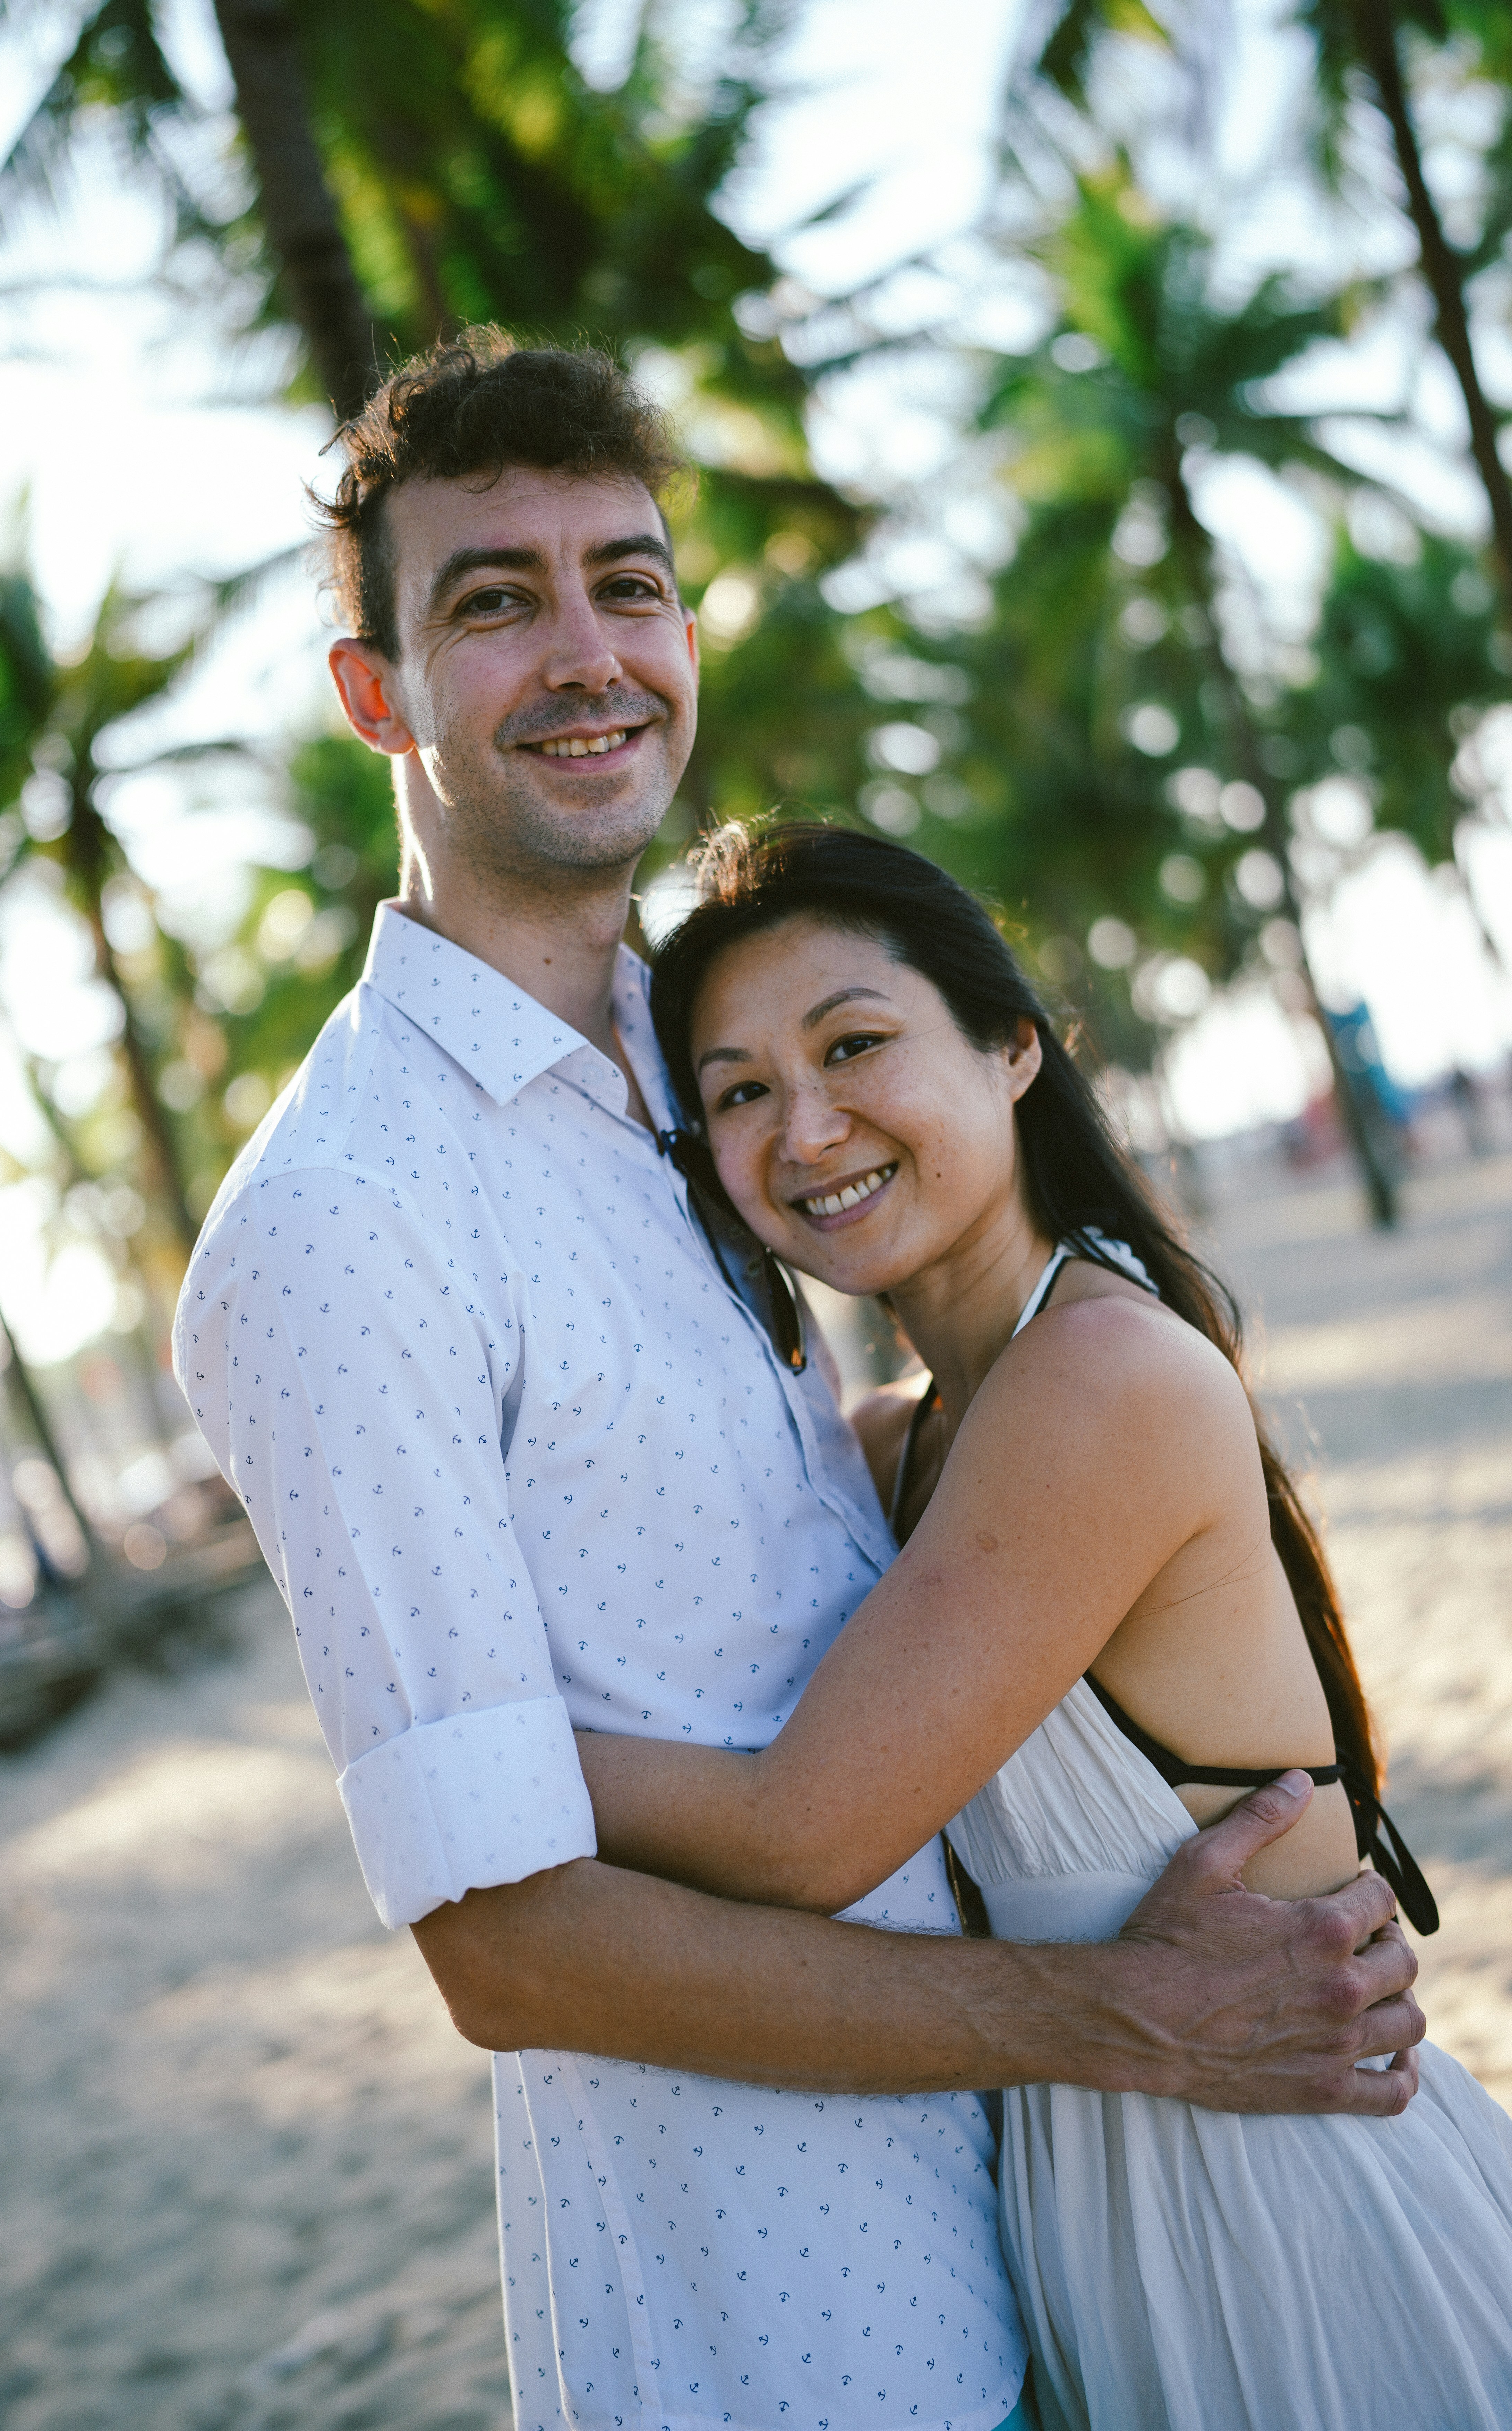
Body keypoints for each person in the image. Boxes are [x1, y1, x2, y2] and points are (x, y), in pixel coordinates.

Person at [175, 330, 1424, 2431]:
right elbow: (510, 1952)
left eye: (631, 582)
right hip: (785, 2318)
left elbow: (765, 1537)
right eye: (497, 600)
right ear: (377, 694)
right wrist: (1125, 2019)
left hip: (1053, 2228)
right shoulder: (342, 1219)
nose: (589, 651)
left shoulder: (709, 1082)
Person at [572, 820, 1512, 2431]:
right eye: (736, 1092)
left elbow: (796, 1832)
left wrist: (455, 1763)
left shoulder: (1102, 1377)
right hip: (1099, 2193)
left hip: (1280, 2208)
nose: (807, 1128)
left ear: (1012, 1048)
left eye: (854, 1044)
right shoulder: (898, 1441)